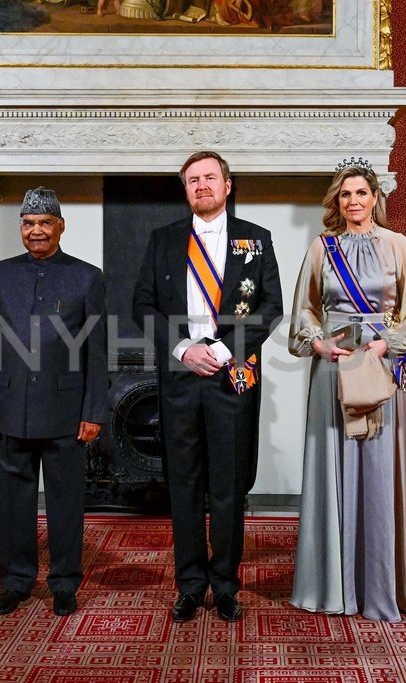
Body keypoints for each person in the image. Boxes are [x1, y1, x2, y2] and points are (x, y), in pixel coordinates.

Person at [132, 151, 282, 623]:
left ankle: (226, 585)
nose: (202, 185)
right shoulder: (163, 240)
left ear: (227, 185)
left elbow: (271, 306)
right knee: (185, 484)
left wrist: (222, 349)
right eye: (193, 179)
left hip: (231, 375)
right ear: (186, 190)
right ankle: (190, 586)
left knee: (229, 486)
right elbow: (142, 306)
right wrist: (182, 350)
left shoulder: (256, 239)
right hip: (181, 378)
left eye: (210, 177)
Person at [287, 159, 406, 621]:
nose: (354, 201)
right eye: (346, 194)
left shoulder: (398, 245)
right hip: (334, 367)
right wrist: (318, 343)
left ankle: (379, 586)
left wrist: (387, 343)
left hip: (380, 364)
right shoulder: (321, 247)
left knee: (379, 467)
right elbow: (305, 309)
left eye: (362, 193)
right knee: (335, 463)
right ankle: (335, 585)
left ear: (375, 198)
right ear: (337, 201)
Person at [0, 187, 108, 618]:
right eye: (29, 223)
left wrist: (93, 411)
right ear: (21, 227)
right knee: (13, 503)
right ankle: (15, 580)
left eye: (45, 223)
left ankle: (65, 582)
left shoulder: (87, 276)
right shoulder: (0, 274)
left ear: (60, 226)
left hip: (67, 411)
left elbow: (97, 351)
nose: (36, 231)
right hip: (10, 407)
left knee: (66, 502)